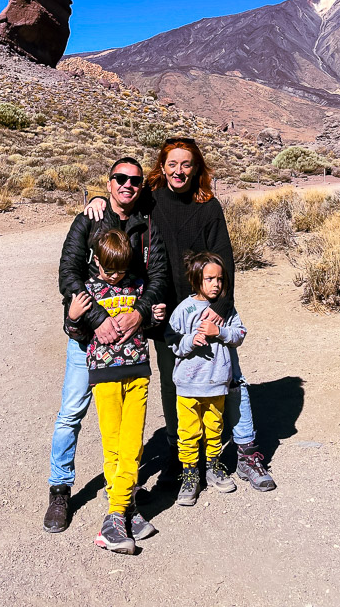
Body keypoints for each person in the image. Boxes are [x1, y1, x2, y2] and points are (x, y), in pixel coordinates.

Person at [87, 138, 276, 492]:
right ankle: (181, 453)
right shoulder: (151, 199)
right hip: (163, 311)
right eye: (172, 164)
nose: (179, 171)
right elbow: (119, 204)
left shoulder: (209, 207)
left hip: (208, 308)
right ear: (162, 166)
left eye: (186, 164)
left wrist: (218, 312)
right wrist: (99, 198)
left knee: (230, 378)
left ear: (197, 168)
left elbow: (225, 261)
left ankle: (242, 452)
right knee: (174, 381)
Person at [43, 157, 167, 534]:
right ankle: (60, 489)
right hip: (89, 340)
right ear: (109, 182)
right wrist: (97, 322)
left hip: (128, 342)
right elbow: (69, 273)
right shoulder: (89, 219)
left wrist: (139, 315)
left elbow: (157, 276)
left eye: (135, 180)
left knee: (122, 429)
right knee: (71, 412)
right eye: (120, 179)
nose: (127, 185)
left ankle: (123, 498)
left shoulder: (149, 225)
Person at [65, 229, 165, 552]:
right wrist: (73, 317)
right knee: (113, 445)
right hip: (105, 377)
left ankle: (119, 512)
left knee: (132, 443)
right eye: (108, 270)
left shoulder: (137, 288)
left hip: (137, 374)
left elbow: (145, 323)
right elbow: (77, 332)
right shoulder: (88, 292)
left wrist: (152, 315)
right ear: (96, 261)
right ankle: (120, 514)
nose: (114, 276)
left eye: (120, 270)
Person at [165, 252, 246, 506]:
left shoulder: (225, 310)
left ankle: (213, 466)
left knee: (215, 428)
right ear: (195, 279)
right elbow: (173, 341)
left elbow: (240, 334)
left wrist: (218, 331)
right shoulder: (184, 310)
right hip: (188, 386)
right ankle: (190, 474)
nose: (216, 284)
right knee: (188, 432)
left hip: (217, 383)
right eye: (209, 278)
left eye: (220, 279)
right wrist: (191, 341)